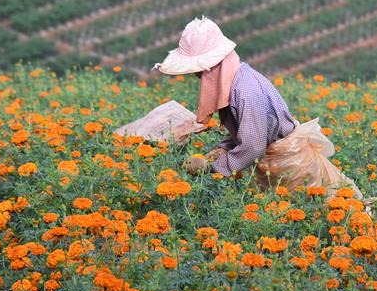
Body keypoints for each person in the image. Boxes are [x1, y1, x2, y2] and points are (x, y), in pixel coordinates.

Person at [151, 16, 363, 199]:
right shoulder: (238, 80)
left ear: (213, 64)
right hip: (280, 160)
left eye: (198, 69)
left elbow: (253, 146)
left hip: (291, 163)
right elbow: (252, 130)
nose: (196, 75)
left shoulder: (245, 91)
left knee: (320, 207)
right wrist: (221, 150)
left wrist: (212, 167)